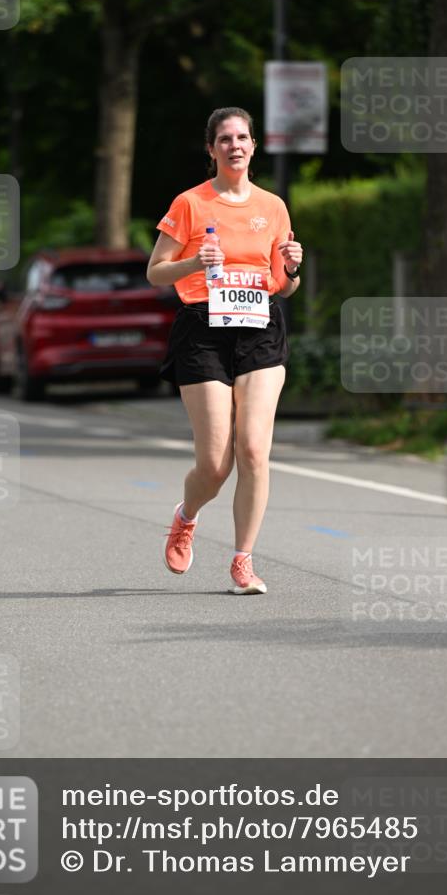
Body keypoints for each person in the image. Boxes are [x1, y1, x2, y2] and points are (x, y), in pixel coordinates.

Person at [147, 107, 303, 595]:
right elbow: (155, 271)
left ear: (254, 146)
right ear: (212, 149)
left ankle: (243, 561)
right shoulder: (191, 203)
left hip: (261, 328)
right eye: (225, 139)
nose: (235, 145)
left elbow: (282, 285)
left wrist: (292, 270)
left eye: (242, 137)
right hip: (203, 330)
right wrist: (195, 261)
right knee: (216, 464)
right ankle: (186, 515)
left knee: (254, 449)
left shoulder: (273, 206)